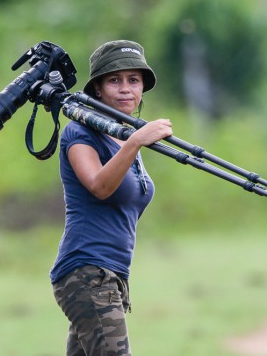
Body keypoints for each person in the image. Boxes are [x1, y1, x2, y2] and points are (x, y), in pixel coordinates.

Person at [49, 40, 173, 355]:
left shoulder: (121, 135)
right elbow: (99, 186)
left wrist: (132, 141)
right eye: (114, 80)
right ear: (98, 88)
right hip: (88, 272)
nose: (125, 89)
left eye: (134, 80)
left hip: (113, 275)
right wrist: (136, 142)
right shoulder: (79, 134)